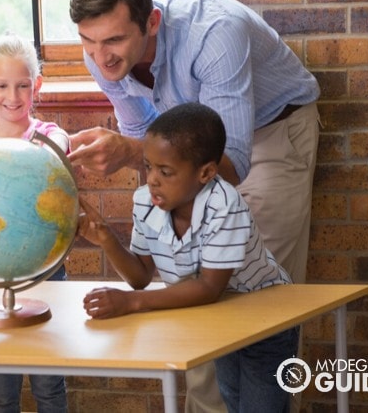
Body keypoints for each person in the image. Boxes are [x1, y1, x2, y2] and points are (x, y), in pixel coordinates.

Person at [67, 0, 319, 412]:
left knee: (260, 308)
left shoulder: (213, 34)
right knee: (197, 312)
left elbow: (230, 162)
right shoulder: (103, 55)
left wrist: (130, 153)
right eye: (88, 41)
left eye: (115, 40)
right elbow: (147, 139)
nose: (101, 58)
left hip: (267, 136)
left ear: (152, 21)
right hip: (183, 161)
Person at [77, 102, 299, 413]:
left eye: (165, 171)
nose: (152, 179)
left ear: (206, 173)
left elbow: (209, 287)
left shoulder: (225, 204)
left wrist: (130, 303)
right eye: (148, 167)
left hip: (267, 317)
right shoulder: (146, 201)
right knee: (233, 403)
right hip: (223, 318)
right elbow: (140, 276)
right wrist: (106, 239)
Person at [0, 34, 69, 413]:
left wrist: (41, 151)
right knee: (2, 394)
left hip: (45, 276)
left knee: (49, 387)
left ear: (37, 85)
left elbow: (63, 145)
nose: (13, 96)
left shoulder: (47, 137)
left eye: (23, 85)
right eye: (2, 86)